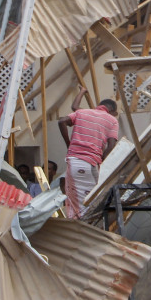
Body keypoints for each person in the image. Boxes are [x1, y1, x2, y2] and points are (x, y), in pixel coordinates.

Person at [57, 88, 119, 218]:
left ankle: (77, 229)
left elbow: (62, 120)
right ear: (112, 111)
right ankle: (89, 231)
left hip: (73, 161)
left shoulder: (82, 112)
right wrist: (102, 161)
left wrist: (69, 144)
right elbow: (111, 146)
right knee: (93, 202)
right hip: (91, 163)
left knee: (74, 201)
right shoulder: (112, 120)